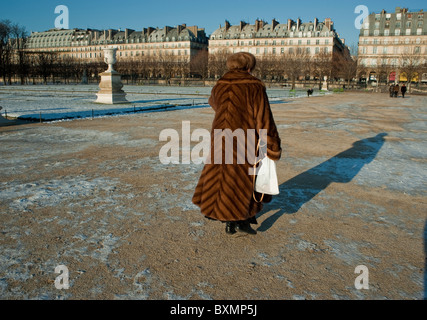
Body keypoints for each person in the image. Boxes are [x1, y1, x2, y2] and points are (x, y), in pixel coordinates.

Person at [192, 52, 282, 236]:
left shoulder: (220, 84)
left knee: (222, 175)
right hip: (245, 138)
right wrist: (272, 145)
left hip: (220, 136)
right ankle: (238, 219)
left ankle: (229, 217)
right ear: (249, 67)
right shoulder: (254, 86)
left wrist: (229, 111)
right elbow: (264, 118)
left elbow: (213, 102)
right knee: (244, 180)